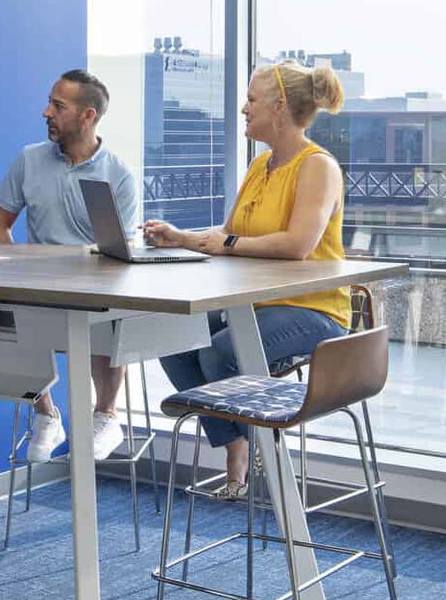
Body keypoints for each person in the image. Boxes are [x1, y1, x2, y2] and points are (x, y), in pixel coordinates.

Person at [146, 60, 350, 499]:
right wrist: (181, 238)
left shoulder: (318, 167)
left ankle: (260, 452)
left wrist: (226, 243)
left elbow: (298, 243)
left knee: (221, 354)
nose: (243, 109)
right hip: (256, 305)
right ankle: (237, 443)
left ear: (279, 107)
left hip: (314, 308)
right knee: (174, 341)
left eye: (252, 100)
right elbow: (230, 235)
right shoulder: (260, 167)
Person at [0, 69, 138, 462]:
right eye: (50, 103)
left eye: (58, 106)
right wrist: (15, 270)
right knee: (11, 313)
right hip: (41, 287)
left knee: (108, 314)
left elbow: (122, 251)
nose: (46, 112)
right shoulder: (30, 159)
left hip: (95, 288)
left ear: (88, 116)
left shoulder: (118, 174)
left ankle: (106, 414)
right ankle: (46, 414)